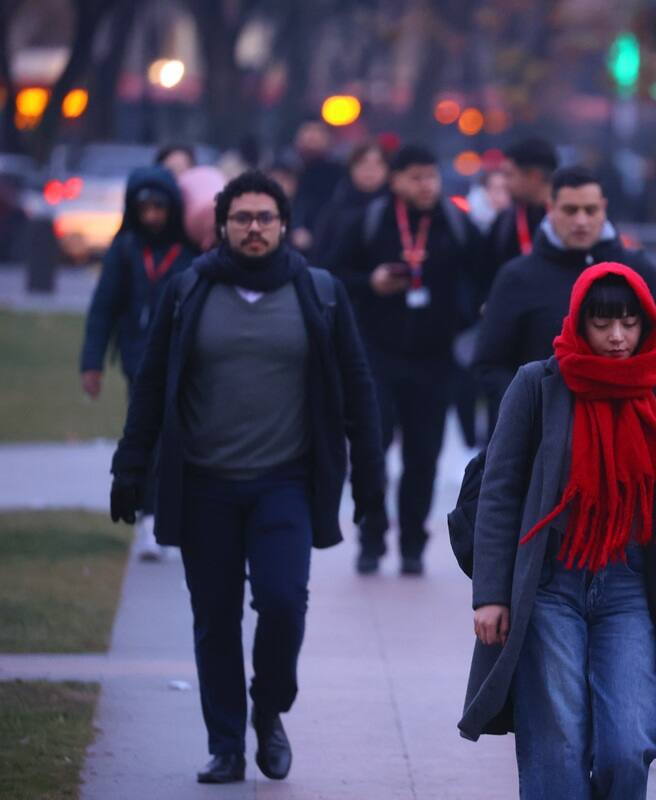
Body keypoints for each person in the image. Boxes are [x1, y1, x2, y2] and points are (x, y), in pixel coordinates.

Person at [108, 170, 386, 784]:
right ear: (221, 225)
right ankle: (227, 743)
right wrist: (130, 467)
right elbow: (152, 387)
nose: (254, 228)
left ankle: (269, 709)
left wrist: (370, 485)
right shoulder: (189, 291)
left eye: (265, 218)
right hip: (205, 483)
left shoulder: (319, 293)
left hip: (284, 482)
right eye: (242, 218)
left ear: (283, 225)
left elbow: (358, 391)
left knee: (284, 603)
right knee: (215, 616)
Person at [460, 263, 656, 800]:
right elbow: (501, 493)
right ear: (579, 322)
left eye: (629, 322)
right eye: (603, 324)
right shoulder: (538, 385)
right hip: (552, 585)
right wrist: (490, 594)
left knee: (628, 745)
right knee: (556, 745)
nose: (618, 337)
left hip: (630, 588)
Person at [331, 143, 483, 576]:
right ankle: (371, 538)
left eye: (431, 176)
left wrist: (466, 317)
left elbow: (485, 273)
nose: (426, 185)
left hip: (436, 358)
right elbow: (333, 272)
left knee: (424, 454)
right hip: (376, 354)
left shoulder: (455, 224)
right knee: (372, 450)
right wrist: (371, 282)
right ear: (395, 180)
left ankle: (413, 543)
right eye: (416, 177)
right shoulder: (371, 221)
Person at [472, 165, 656, 439]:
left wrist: (635, 403)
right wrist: (532, 409)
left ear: (604, 208)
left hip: (627, 433)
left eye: (590, 210)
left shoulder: (639, 270)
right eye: (570, 210)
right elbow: (489, 363)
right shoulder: (518, 276)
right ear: (551, 207)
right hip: (540, 438)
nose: (581, 221)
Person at [81, 166, 196, 561]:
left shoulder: (191, 251)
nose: (152, 217)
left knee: (180, 439)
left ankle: (178, 519)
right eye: (144, 208)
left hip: (187, 363)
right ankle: (149, 520)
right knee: (148, 438)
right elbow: (103, 309)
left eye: (160, 208)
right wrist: (91, 363)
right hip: (139, 361)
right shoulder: (126, 248)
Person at [484, 137, 558, 293]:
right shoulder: (505, 221)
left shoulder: (570, 219)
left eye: (509, 174)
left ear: (534, 176)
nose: (504, 183)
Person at [312, 141, 389, 267]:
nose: (370, 170)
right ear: (351, 168)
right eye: (362, 163)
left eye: (378, 164)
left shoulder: (395, 211)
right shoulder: (333, 211)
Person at [289, 121, 343, 255]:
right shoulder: (286, 169)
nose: (312, 138)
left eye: (317, 134)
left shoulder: (337, 173)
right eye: (308, 133)